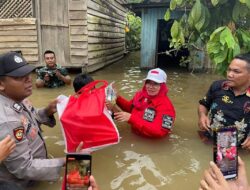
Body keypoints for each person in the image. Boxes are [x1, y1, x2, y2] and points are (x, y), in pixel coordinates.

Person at [0, 52, 65, 187]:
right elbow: (24, 167)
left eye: (28, 74)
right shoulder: (7, 121)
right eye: (19, 77)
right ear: (1, 84)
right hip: (22, 183)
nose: (29, 79)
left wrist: (47, 111)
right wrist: (65, 161)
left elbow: (31, 117)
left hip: (38, 169)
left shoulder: (19, 97)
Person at [198, 53, 250, 149]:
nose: (230, 74)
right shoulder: (217, 86)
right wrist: (202, 116)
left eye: (236, 71)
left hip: (239, 148)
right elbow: (203, 104)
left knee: (227, 164)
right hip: (209, 139)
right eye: (229, 70)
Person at [108, 68, 176, 138]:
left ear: (162, 86)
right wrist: (117, 98)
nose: (150, 87)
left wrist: (131, 118)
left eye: (155, 84)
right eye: (148, 82)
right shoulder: (140, 95)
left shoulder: (167, 107)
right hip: (135, 135)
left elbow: (159, 132)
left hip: (150, 142)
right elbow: (131, 109)